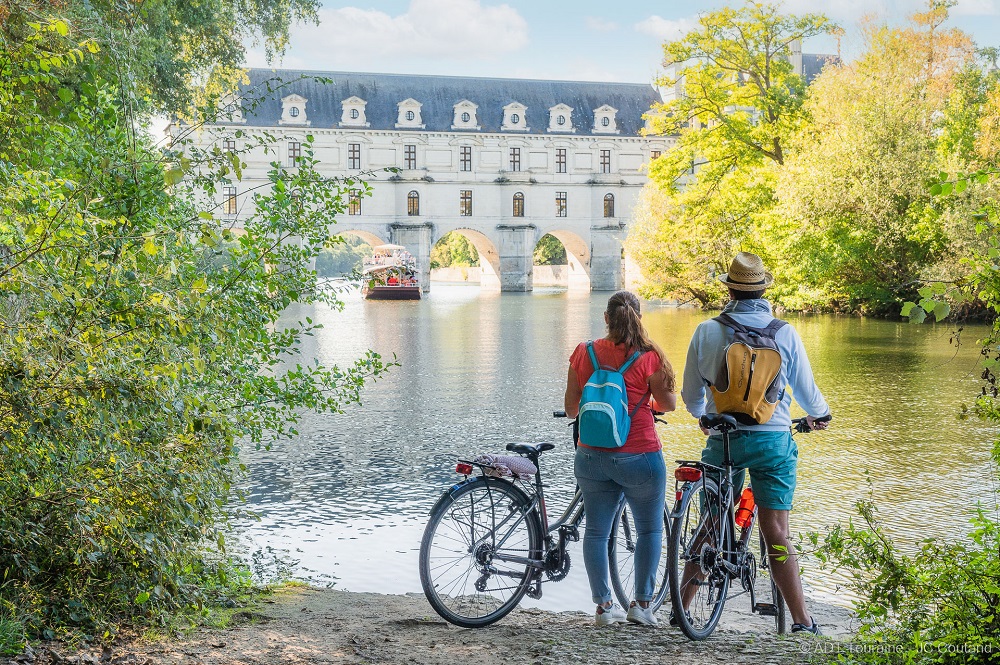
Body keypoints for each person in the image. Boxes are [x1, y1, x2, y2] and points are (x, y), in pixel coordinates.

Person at [680, 252, 831, 635]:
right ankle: (801, 621)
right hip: (771, 442)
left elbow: (691, 394)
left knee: (711, 523)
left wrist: (704, 416)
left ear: (729, 288)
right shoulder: (784, 333)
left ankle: (680, 608)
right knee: (776, 531)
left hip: (723, 438)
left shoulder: (707, 331)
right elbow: (808, 394)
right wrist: (821, 414)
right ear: (764, 289)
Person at [564, 290, 677, 626]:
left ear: (606, 319)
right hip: (639, 455)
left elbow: (572, 408)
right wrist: (645, 405)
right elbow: (669, 403)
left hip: (590, 456)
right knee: (649, 530)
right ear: (639, 318)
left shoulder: (583, 352)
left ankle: (603, 608)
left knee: (596, 532)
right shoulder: (649, 357)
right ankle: (641, 606)